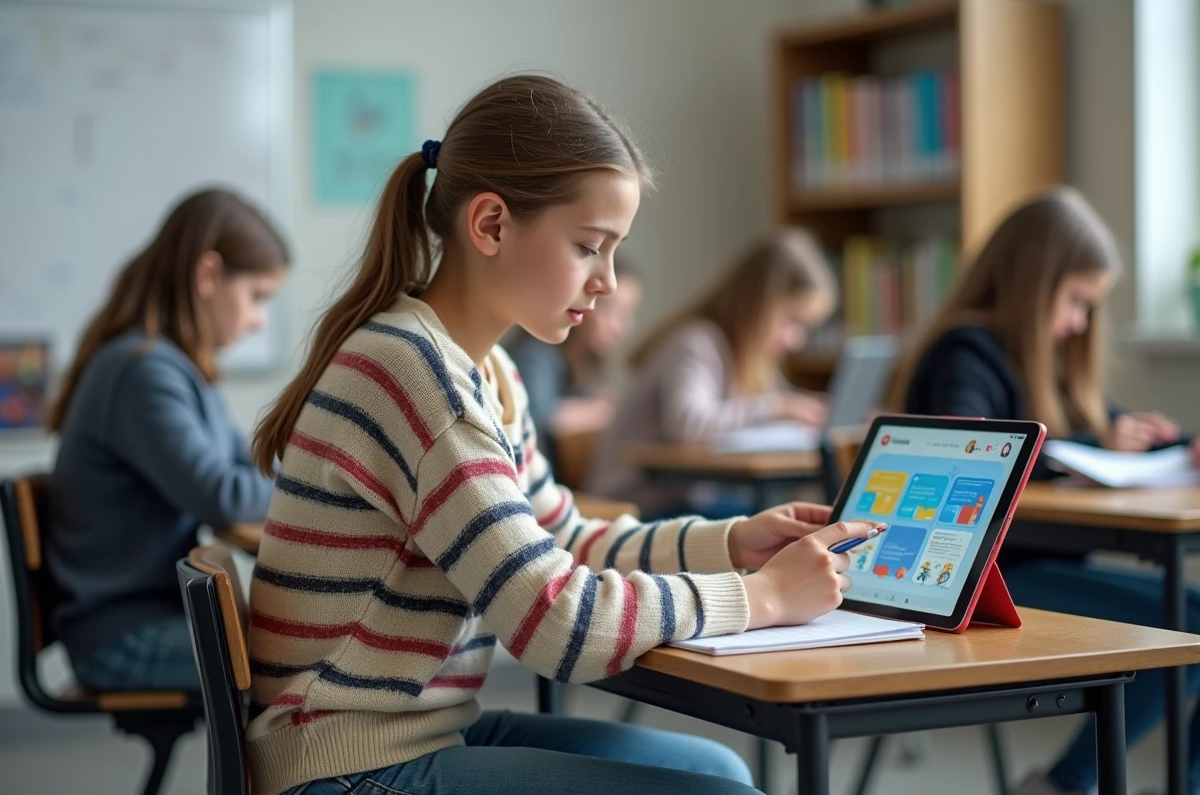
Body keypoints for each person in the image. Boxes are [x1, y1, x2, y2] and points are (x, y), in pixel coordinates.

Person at [247, 74, 875, 795]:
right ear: (490, 226)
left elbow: (566, 540)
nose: (607, 281)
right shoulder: (417, 378)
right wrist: (761, 598)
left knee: (714, 767)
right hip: (344, 760)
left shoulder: (490, 374)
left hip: (415, 728)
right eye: (589, 247)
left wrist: (731, 545)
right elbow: (558, 625)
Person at [887, 186, 1200, 795]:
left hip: (1035, 564)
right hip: (978, 583)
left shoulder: (1048, 363)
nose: (1079, 323)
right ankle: (1066, 784)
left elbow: (1105, 434)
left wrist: (1180, 443)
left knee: (1187, 618)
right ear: (1033, 283)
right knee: (1184, 620)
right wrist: (1077, 456)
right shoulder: (967, 351)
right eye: (1075, 302)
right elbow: (967, 453)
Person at [47, 188, 289, 692]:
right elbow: (221, 493)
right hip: (123, 634)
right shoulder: (142, 371)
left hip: (145, 616)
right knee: (301, 662)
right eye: (257, 296)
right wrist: (313, 485)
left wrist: (283, 472)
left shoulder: (172, 368)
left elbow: (244, 463)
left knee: (301, 648)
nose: (259, 318)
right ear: (208, 275)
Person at [587, 228, 836, 518]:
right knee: (777, 528)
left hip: (684, 504)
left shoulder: (747, 356)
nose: (797, 340)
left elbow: (781, 401)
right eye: (793, 320)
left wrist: (814, 408)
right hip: (635, 507)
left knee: (784, 522)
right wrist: (778, 408)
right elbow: (690, 425)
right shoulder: (695, 342)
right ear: (758, 303)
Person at [505, 254, 642, 472]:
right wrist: (598, 411)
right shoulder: (536, 354)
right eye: (611, 310)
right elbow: (534, 418)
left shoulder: (589, 364)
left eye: (628, 313)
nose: (622, 326)